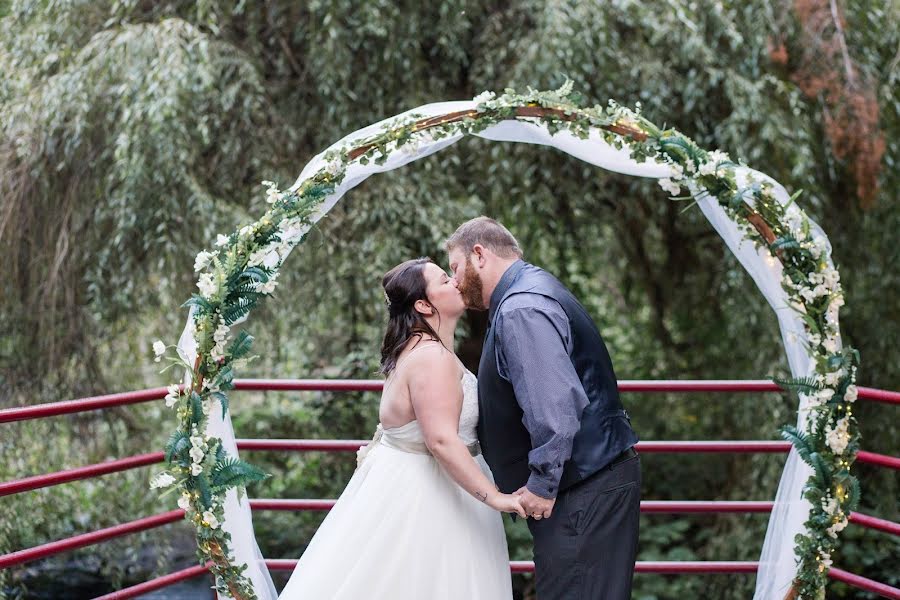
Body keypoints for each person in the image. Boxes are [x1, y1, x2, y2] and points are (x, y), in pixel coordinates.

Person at [279, 257, 523, 600]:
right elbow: (440, 440)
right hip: (428, 497)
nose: (455, 281)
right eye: (444, 280)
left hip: (422, 484)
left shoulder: (422, 350)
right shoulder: (432, 358)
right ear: (423, 304)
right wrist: (496, 497)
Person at [446, 216, 641, 600]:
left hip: (581, 489)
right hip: (588, 483)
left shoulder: (520, 308)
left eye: (455, 267)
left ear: (479, 255)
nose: (453, 280)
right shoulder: (529, 290)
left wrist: (542, 483)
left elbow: (554, 406)